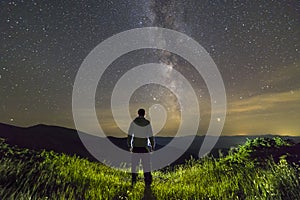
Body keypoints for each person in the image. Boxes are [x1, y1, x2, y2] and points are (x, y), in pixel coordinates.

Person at [127, 108, 155, 186]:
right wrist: (152, 145)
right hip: (144, 147)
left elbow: (129, 135)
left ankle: (134, 181)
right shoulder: (147, 123)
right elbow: (150, 135)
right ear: (144, 114)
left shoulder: (134, 123)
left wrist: (129, 145)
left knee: (134, 165)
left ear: (138, 113)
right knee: (146, 165)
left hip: (136, 147)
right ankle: (147, 181)